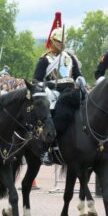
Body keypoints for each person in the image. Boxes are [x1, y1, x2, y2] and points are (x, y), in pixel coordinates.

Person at [33, 26, 86, 165]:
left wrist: (80, 79)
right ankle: (47, 148)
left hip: (70, 91)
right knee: (50, 113)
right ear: (52, 41)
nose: (61, 44)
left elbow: (77, 75)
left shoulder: (70, 58)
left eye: (62, 41)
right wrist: (47, 86)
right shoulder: (45, 60)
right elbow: (36, 80)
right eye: (58, 41)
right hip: (54, 91)